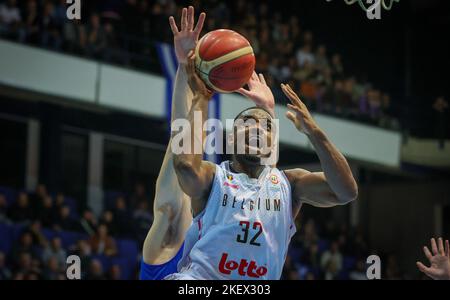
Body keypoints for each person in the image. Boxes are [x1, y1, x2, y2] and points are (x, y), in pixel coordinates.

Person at [166, 54, 357, 279]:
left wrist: (314, 132)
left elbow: (346, 192)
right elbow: (185, 165)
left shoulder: (289, 184)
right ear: (230, 139)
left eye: (267, 126)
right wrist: (201, 97)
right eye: (247, 123)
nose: (257, 129)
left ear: (271, 144)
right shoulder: (213, 176)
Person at [139, 6, 272, 281]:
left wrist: (267, 112)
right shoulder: (171, 234)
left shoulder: (226, 247)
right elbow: (180, 143)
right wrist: (183, 68)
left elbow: (267, 193)